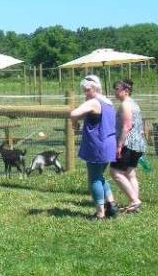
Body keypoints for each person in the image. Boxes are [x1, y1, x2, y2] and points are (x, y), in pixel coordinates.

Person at [70, 74, 118, 219]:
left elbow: (74, 113)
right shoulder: (108, 102)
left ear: (95, 88)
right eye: (84, 90)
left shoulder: (94, 102)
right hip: (109, 143)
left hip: (97, 145)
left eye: (87, 90)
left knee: (94, 179)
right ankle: (112, 205)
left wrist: (74, 123)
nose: (85, 93)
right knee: (100, 175)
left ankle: (100, 213)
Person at [110, 79, 146, 213]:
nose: (115, 91)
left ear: (126, 91)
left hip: (127, 143)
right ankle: (134, 204)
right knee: (130, 173)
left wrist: (119, 146)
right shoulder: (134, 103)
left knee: (115, 172)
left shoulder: (125, 105)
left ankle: (135, 200)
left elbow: (126, 126)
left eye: (117, 89)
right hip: (138, 144)